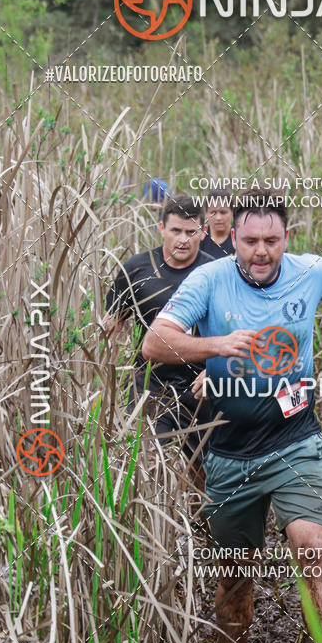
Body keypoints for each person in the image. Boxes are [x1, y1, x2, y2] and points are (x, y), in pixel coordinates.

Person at [141, 189, 322, 643]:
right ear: (232, 238)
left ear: (285, 239)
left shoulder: (311, 271)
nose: (260, 251)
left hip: (296, 439)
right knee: (235, 573)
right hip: (230, 451)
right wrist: (214, 345)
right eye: (249, 240)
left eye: (270, 240)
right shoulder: (208, 280)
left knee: (312, 545)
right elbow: (154, 342)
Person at [105, 194, 213, 464]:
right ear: (162, 228)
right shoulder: (136, 268)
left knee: (200, 468)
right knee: (150, 462)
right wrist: (110, 377)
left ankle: (193, 506)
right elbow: (111, 326)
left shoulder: (215, 271)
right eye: (176, 230)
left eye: (191, 232)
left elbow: (235, 328)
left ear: (203, 232)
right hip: (150, 382)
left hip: (201, 384)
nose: (183, 239)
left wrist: (216, 370)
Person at [200, 189, 235, 259]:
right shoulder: (199, 237)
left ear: (232, 212)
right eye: (213, 213)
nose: (218, 218)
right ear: (206, 213)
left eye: (223, 212)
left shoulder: (240, 237)